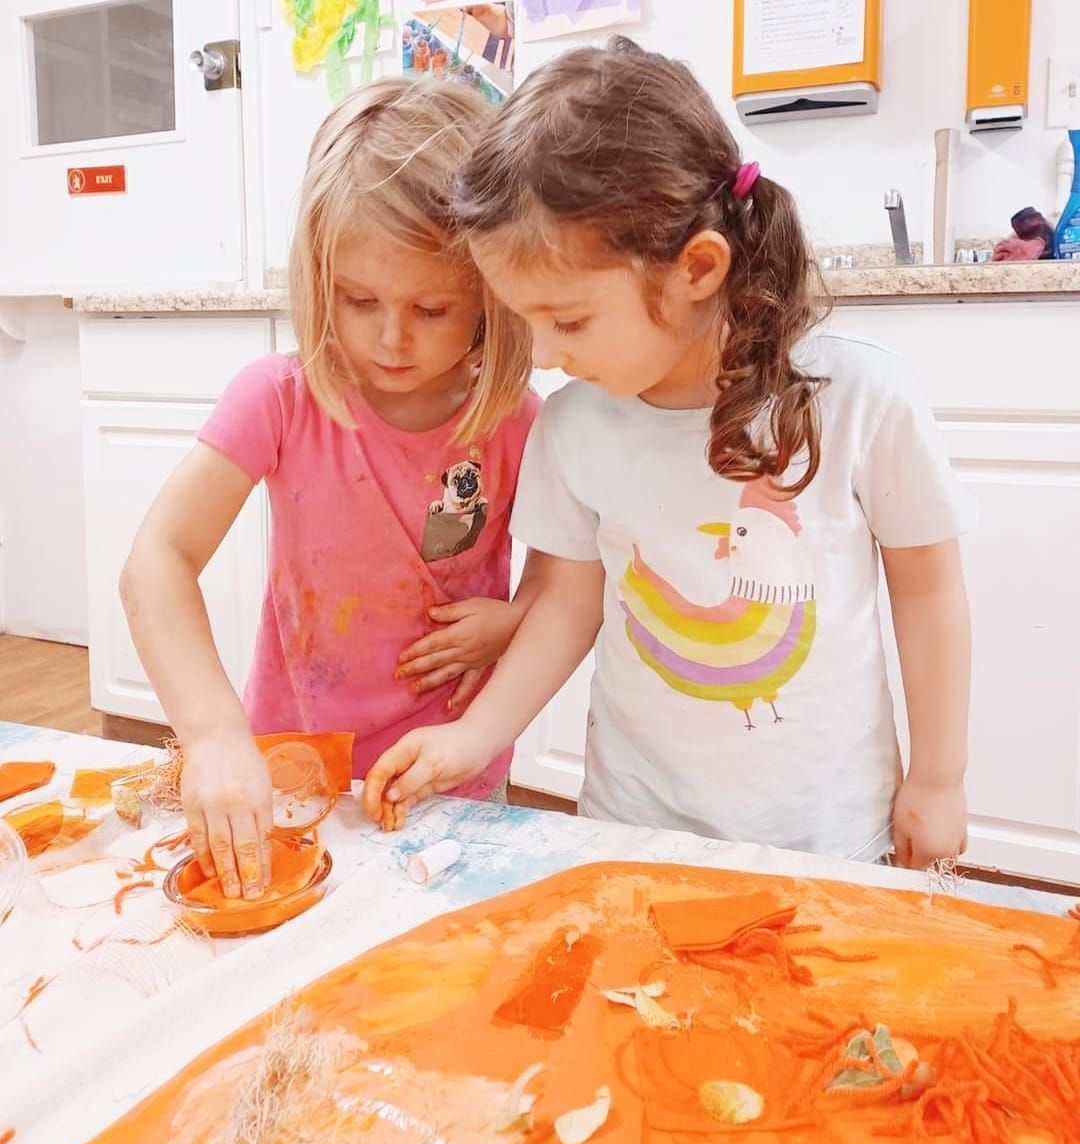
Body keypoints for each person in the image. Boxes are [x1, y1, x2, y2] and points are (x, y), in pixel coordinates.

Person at [363, 41, 976, 870]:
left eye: (569, 321)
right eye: (525, 321)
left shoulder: (862, 398)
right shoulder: (574, 427)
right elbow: (564, 605)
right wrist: (474, 735)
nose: (541, 353)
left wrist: (939, 778)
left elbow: (928, 589)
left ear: (696, 268)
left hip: (827, 835)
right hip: (632, 825)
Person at [121, 77, 539, 900]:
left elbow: (574, 582)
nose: (390, 337)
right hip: (291, 767)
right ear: (320, 279)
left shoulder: (514, 421)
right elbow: (156, 562)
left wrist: (517, 618)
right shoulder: (278, 398)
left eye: (430, 307)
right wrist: (211, 734)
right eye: (359, 300)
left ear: (491, 296)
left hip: (451, 771)